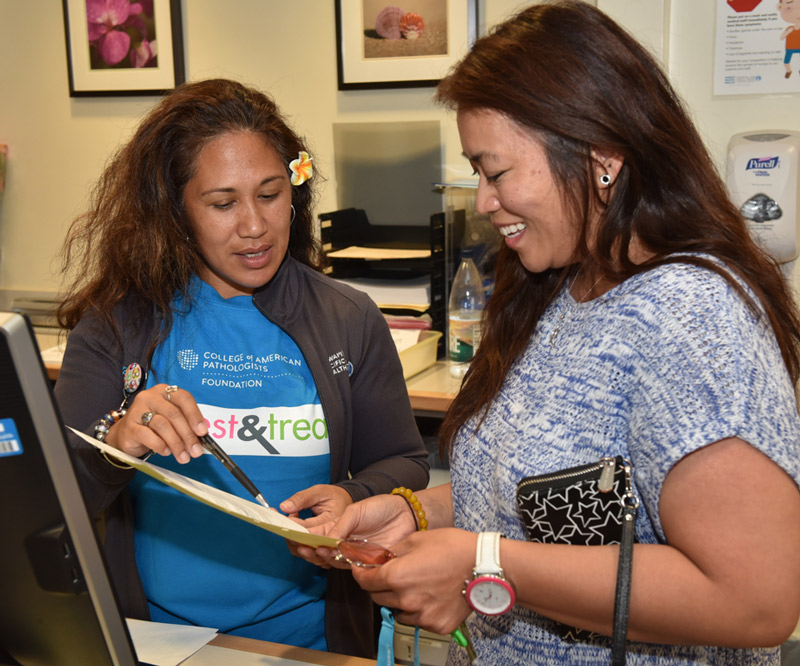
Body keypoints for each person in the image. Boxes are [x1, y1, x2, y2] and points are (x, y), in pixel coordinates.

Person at [298, 2, 800, 664]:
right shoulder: (562, 286)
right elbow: (560, 501)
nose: (482, 200)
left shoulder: (689, 315)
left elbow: (754, 598)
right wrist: (418, 516)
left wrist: (482, 562)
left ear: (602, 157)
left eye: (496, 171)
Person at [53, 77, 430, 658]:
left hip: (311, 642)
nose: (254, 226)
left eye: (271, 193)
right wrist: (118, 443)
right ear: (174, 211)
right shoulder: (118, 326)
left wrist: (351, 497)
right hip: (155, 639)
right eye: (223, 204)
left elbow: (404, 460)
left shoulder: (348, 318)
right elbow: (51, 503)